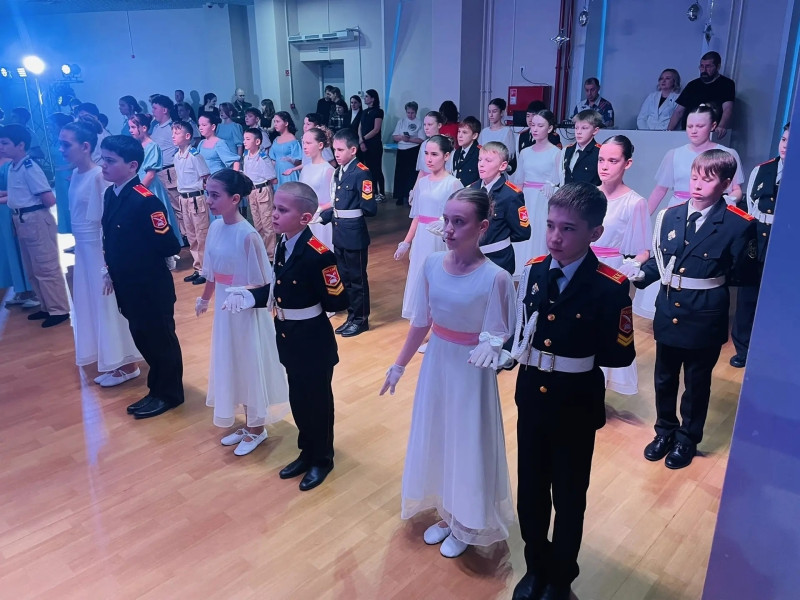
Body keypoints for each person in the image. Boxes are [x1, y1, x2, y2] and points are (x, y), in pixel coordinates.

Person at [510, 183, 636, 600]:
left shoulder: (610, 285)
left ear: (594, 233)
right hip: (533, 396)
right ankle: (536, 566)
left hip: (575, 404)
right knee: (530, 491)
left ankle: (560, 578)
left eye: (568, 229)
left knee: (568, 496)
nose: (555, 237)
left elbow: (619, 354)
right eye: (550, 225)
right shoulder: (534, 271)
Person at [381, 185, 516, 559]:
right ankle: (447, 509)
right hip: (438, 361)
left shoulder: (495, 277)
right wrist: (399, 364)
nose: (450, 229)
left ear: (482, 226)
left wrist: (494, 345)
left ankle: (467, 520)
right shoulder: (431, 265)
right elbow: (422, 321)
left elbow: (501, 331)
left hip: (470, 371)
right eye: (447, 220)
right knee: (439, 433)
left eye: (460, 222)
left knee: (466, 439)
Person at [623, 150, 757, 470]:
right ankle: (664, 431)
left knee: (696, 383)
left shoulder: (738, 224)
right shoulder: (670, 215)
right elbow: (662, 262)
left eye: (707, 180)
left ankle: (687, 439)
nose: (696, 185)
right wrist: (640, 274)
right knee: (664, 378)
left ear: (726, 184)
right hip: (669, 309)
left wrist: (706, 282)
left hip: (705, 315)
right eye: (694, 177)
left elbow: (744, 272)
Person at [223, 181, 350, 490]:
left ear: (305, 218)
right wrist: (250, 296)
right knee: (299, 399)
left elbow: (338, 300)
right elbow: (279, 287)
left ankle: (322, 459)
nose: (274, 214)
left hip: (312, 340)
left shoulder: (319, 254)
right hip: (289, 336)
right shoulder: (284, 243)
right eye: (274, 208)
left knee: (317, 404)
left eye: (282, 210)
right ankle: (307, 452)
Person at [195, 169, 289, 455]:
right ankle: (249, 423)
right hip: (225, 309)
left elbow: (263, 282)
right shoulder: (215, 228)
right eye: (207, 194)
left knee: (248, 362)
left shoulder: (248, 236)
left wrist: (242, 294)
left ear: (235, 199)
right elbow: (212, 272)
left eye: (215, 195)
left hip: (245, 311)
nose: (208, 200)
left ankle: (257, 427)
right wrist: (205, 299)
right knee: (232, 361)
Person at [99, 135, 185, 419]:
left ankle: (170, 394)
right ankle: (156, 389)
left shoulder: (145, 200)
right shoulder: (111, 194)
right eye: (103, 159)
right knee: (144, 339)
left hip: (149, 286)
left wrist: (138, 256)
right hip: (127, 285)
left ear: (132, 165)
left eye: (110, 161)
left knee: (161, 342)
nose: (103, 165)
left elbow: (169, 244)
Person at [636, 104, 744, 320]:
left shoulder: (727, 154)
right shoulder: (674, 154)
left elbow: (737, 190)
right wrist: (642, 219)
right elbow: (660, 190)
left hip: (713, 212)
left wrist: (727, 203)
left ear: (713, 126)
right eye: (689, 126)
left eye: (700, 126)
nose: (694, 130)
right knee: (669, 255)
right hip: (679, 210)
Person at [59, 121, 142, 386]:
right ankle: (110, 356)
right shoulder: (77, 174)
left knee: (108, 303)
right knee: (92, 302)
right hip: (84, 249)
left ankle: (127, 362)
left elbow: (109, 219)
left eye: (66, 144)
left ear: (85, 146)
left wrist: (109, 260)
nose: (61, 149)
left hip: (98, 248)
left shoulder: (98, 176)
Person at [593, 136, 650, 396]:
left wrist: (633, 264)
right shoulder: (590, 194)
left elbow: (643, 249)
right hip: (583, 264)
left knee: (605, 326)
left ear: (627, 163)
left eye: (613, 161)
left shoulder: (634, 202)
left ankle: (601, 385)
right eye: (601, 160)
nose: (604, 166)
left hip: (611, 269)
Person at [730, 123, 789, 368]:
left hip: (785, 244)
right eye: (783, 139)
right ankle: (743, 349)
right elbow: (752, 208)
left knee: (778, 300)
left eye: (791, 142)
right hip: (758, 240)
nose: (785, 146)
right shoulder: (762, 170)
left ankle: (771, 351)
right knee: (747, 298)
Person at [0, 124, 70, 328]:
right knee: (32, 268)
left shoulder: (30, 167)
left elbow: (48, 199)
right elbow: (18, 193)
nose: (1, 147)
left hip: (35, 218)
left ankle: (59, 309)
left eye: (5, 143)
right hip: (21, 219)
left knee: (46, 266)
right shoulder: (14, 167)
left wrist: (24, 204)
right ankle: (46, 306)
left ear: (20, 145)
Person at [394, 134, 462, 322]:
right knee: (420, 275)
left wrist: (446, 223)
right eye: (426, 154)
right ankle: (423, 319)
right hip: (422, 238)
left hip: (440, 237)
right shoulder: (422, 183)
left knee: (439, 277)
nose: (429, 159)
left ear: (446, 156)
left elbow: (461, 217)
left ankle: (440, 321)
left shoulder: (453, 183)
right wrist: (406, 243)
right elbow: (417, 216)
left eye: (434, 154)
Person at [318, 128, 376, 337]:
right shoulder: (339, 171)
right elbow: (338, 201)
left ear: (353, 150)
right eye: (335, 149)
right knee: (345, 277)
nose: (337, 154)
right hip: (340, 231)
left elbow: (369, 208)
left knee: (357, 279)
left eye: (341, 150)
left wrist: (347, 212)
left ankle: (361, 320)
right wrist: (326, 215)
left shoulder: (361, 172)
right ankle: (352, 316)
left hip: (354, 233)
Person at [466, 141, 530, 275]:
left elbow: (523, 232)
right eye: (480, 160)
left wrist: (500, 237)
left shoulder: (510, 195)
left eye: (488, 160)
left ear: (503, 166)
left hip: (498, 260)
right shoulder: (471, 190)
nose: (481, 164)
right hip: (471, 258)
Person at [513, 109, 561, 265]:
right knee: (524, 231)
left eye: (540, 126)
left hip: (543, 199)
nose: (535, 129)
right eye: (533, 125)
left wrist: (552, 186)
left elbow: (560, 181)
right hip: (526, 198)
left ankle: (538, 265)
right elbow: (519, 181)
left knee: (539, 234)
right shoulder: (525, 152)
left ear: (550, 128)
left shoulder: (556, 153)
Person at [128, 113, 182, 247]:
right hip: (139, 185)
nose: (130, 130)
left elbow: (150, 174)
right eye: (130, 127)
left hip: (149, 188)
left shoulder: (152, 146)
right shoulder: (136, 146)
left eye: (133, 127)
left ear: (144, 128)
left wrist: (137, 192)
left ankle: (166, 249)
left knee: (157, 219)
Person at [172, 120, 211, 284]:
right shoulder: (176, 156)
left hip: (196, 198)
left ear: (187, 136)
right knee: (191, 236)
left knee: (202, 235)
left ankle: (207, 270)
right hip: (184, 198)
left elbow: (206, 178)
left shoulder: (195, 156)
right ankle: (198, 267)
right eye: (172, 133)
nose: (173, 136)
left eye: (177, 133)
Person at [0, 152, 38, 309]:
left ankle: (33, 291)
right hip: (2, 213)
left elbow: (20, 191)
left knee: (19, 250)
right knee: (7, 253)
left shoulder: (11, 164)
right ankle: (20, 289)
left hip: (11, 210)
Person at [668, 52, 736, 139]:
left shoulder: (726, 84)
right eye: (701, 66)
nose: (704, 70)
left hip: (711, 133)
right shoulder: (692, 85)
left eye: (708, 66)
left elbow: (728, 109)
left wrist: (721, 126)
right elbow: (679, 112)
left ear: (718, 67)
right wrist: (668, 132)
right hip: (687, 132)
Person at [149, 95, 183, 241]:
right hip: (159, 172)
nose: (153, 111)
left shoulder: (173, 127)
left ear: (164, 110)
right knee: (166, 206)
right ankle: (176, 236)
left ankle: (185, 235)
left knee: (177, 205)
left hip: (170, 171)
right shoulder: (155, 128)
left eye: (155, 108)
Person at [242, 127, 278, 258]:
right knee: (257, 223)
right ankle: (262, 251)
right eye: (244, 139)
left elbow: (273, 178)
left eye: (248, 139)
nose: (244, 142)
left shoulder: (263, 157)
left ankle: (271, 255)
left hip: (263, 190)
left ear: (257, 142)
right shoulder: (246, 156)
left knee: (267, 222)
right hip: (251, 191)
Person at [299, 126, 335, 251]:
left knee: (321, 250)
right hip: (305, 217)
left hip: (320, 220)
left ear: (320, 145)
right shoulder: (306, 168)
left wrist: (319, 208)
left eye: (308, 143)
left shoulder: (328, 170)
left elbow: (334, 199)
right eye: (303, 143)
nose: (305, 146)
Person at [391, 101, 424, 206]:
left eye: (412, 113)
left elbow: (421, 139)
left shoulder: (419, 123)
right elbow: (394, 136)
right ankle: (399, 196)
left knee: (411, 175)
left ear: (416, 112)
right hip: (401, 150)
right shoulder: (401, 121)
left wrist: (409, 139)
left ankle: (410, 196)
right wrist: (402, 138)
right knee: (400, 174)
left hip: (413, 150)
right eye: (408, 112)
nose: (410, 115)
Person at [48, 113, 75, 236]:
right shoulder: (56, 140)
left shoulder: (69, 139)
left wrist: (67, 168)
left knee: (71, 204)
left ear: (59, 125)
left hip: (67, 173)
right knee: (63, 203)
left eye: (51, 125)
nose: (49, 127)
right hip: (59, 175)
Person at [560, 110, 602, 186]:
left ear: (595, 131)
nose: (578, 132)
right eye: (576, 128)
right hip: (567, 192)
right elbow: (562, 178)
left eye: (584, 128)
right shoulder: (567, 150)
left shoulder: (600, 152)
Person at [358, 89, 385, 202]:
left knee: (377, 169)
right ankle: (371, 192)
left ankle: (381, 193)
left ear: (373, 98)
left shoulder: (378, 111)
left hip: (374, 145)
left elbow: (376, 129)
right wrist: (361, 141)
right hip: (364, 144)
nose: (365, 98)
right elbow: (360, 127)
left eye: (367, 96)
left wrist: (363, 139)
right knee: (367, 169)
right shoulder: (364, 112)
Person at [478, 98, 516, 174]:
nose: (491, 115)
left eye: (494, 111)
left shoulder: (507, 131)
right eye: (489, 112)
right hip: (484, 169)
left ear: (501, 113)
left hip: (500, 170)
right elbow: (479, 150)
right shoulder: (484, 132)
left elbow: (509, 154)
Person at [269, 112, 302, 189]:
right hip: (277, 170)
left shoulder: (292, 139)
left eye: (278, 121)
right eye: (274, 122)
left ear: (286, 123)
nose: (275, 124)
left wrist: (290, 160)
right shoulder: (276, 139)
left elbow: (298, 161)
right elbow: (272, 158)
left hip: (289, 171)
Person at [452, 116, 481, 187]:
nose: (460, 136)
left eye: (464, 132)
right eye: (459, 131)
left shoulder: (479, 153)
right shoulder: (457, 152)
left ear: (474, 135)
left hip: (472, 192)